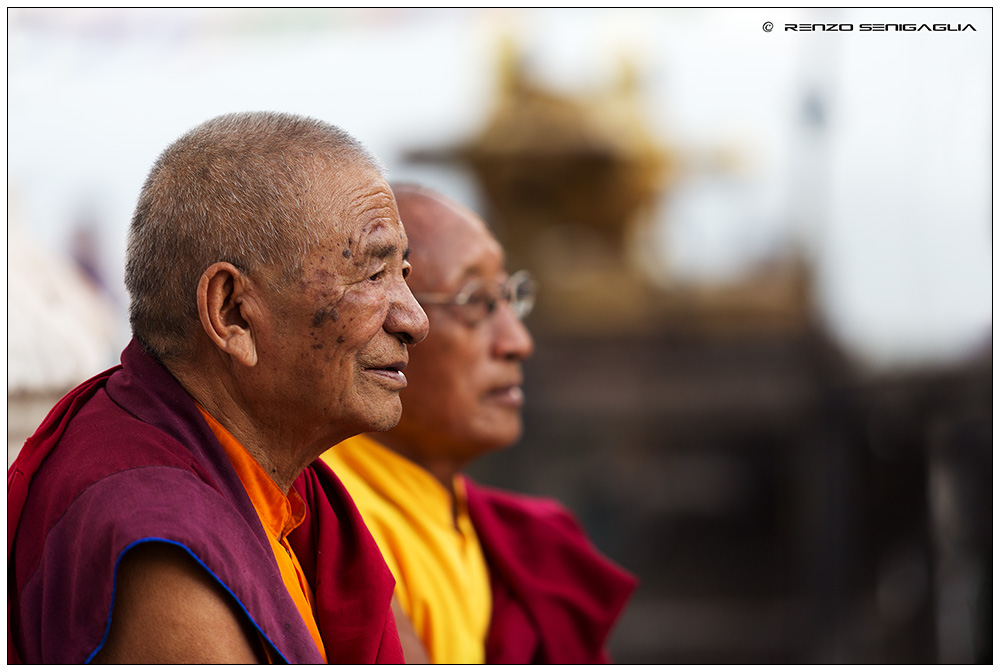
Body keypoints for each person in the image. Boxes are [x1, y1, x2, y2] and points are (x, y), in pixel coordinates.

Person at [7, 112, 430, 664]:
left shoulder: (289, 495)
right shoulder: (159, 536)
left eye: (404, 274)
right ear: (232, 313)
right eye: (374, 277)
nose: (414, 320)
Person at [322, 184, 637, 664]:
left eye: (512, 296)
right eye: (475, 301)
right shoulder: (324, 522)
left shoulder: (505, 537)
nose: (517, 342)